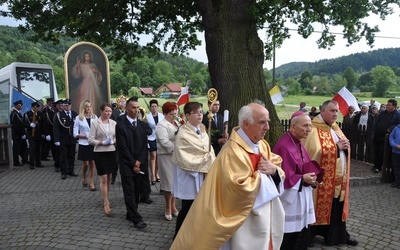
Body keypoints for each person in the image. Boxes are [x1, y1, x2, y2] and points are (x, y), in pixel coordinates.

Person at [170, 100, 285, 249]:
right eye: (262, 122)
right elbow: (238, 189)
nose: (267, 127)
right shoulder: (232, 152)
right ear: (246, 124)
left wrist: (274, 171)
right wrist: (264, 175)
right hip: (242, 221)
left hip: (264, 216)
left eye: (267, 122)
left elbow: (276, 167)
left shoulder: (262, 144)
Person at [302, 100, 358, 246]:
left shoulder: (335, 127)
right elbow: (313, 152)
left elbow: (342, 148)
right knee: (318, 206)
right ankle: (311, 235)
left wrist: (345, 147)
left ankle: (337, 236)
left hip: (338, 177)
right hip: (322, 180)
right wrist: (336, 147)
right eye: (332, 111)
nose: (335, 114)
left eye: (337, 111)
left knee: (336, 207)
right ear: (323, 111)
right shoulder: (313, 128)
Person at [273, 111, 319, 250]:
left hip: (301, 195)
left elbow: (304, 164)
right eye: (305, 126)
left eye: (310, 126)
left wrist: (312, 176)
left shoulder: (298, 142)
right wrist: (302, 179)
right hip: (291, 201)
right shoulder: (284, 146)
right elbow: (283, 177)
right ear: (293, 127)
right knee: (289, 237)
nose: (309, 130)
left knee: (301, 233)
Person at [171, 101, 216, 238]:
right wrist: (205, 160)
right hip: (190, 176)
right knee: (188, 208)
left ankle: (194, 236)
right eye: (196, 112)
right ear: (187, 115)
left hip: (202, 174)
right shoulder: (183, 134)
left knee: (199, 208)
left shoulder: (202, 130)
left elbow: (208, 150)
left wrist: (209, 159)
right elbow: (184, 156)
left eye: (201, 112)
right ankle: (178, 238)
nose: (200, 115)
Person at [115, 97, 150, 229]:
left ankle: (131, 212)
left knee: (136, 191)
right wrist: (133, 164)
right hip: (127, 164)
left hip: (140, 164)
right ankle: (137, 219)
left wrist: (139, 162)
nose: (136, 110)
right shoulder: (121, 125)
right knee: (129, 192)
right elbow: (122, 148)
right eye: (133, 108)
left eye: (137, 107)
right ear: (127, 109)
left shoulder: (142, 125)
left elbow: (143, 146)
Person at [89, 103, 116, 216]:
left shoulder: (114, 123)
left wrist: (112, 141)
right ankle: (105, 202)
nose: (108, 113)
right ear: (101, 111)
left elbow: (116, 137)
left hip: (111, 151)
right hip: (100, 152)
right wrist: (102, 142)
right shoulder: (95, 123)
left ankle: (107, 197)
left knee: (109, 177)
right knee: (103, 178)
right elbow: (90, 140)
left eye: (110, 111)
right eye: (106, 111)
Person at [155, 101, 179, 221]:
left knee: (175, 183)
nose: (174, 115)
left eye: (175, 112)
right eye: (171, 114)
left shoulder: (178, 123)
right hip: (166, 156)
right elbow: (164, 141)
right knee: (168, 184)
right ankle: (168, 207)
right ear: (165, 114)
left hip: (177, 157)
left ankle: (174, 206)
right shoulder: (161, 125)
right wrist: (176, 150)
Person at [74, 100, 98, 191]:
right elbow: (75, 133)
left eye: (90, 106)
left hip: (92, 143)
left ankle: (91, 182)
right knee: (86, 163)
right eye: (87, 106)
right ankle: (84, 176)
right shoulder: (78, 118)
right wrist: (86, 136)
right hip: (83, 143)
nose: (88, 108)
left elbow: (98, 129)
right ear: (83, 107)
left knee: (92, 163)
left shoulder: (95, 117)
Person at [371, 99, 400, 173]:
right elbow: (376, 122)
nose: (387, 106)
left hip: (386, 137)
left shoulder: (397, 115)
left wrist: (391, 128)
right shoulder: (382, 113)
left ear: (394, 106)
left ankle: (378, 167)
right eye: (387, 105)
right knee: (376, 150)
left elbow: (397, 125)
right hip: (377, 135)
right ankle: (375, 165)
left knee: (382, 152)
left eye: (389, 105)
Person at [70, 51, 103, 115]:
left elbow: (98, 74)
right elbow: (78, 74)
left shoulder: (93, 65)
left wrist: (95, 71)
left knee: (93, 98)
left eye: (88, 56)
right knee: (82, 97)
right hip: (85, 83)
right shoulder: (81, 65)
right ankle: (83, 114)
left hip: (93, 84)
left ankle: (93, 114)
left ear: (90, 57)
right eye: (86, 56)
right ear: (84, 57)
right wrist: (77, 65)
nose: (87, 58)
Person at [53, 99, 78, 179]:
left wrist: (77, 136)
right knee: (63, 156)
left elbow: (77, 126)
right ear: (63, 106)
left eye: (69, 105)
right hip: (63, 139)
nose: (67, 106)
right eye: (66, 105)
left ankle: (71, 170)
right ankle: (63, 172)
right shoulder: (59, 115)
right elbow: (56, 128)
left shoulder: (74, 114)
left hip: (72, 138)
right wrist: (56, 140)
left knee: (72, 156)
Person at [146, 99, 164, 185]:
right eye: (152, 106)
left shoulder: (162, 116)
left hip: (160, 137)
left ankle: (157, 174)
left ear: (157, 107)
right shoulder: (147, 116)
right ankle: (152, 175)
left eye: (155, 106)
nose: (154, 108)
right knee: (153, 156)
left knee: (158, 157)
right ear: (150, 108)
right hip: (151, 137)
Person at [110, 95, 126, 184]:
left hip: (125, 140)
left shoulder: (128, 112)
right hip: (116, 139)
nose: (122, 103)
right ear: (117, 103)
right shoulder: (114, 113)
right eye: (121, 102)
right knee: (115, 160)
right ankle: (113, 176)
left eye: (124, 102)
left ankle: (124, 177)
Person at [24, 101, 44, 169]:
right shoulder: (27, 114)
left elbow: (42, 124)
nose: (38, 108)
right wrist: (29, 125)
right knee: (32, 149)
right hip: (31, 134)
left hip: (38, 134)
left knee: (38, 149)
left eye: (38, 107)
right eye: (36, 107)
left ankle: (38, 163)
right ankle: (31, 164)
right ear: (32, 107)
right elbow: (23, 124)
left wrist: (43, 133)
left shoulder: (40, 114)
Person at [10, 100, 27, 166]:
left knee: (23, 147)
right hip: (17, 135)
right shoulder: (14, 114)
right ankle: (16, 161)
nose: (22, 106)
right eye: (20, 105)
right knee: (16, 149)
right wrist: (22, 134)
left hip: (19, 134)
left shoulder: (17, 113)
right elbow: (17, 126)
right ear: (17, 106)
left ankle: (24, 159)